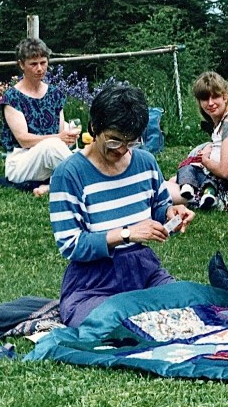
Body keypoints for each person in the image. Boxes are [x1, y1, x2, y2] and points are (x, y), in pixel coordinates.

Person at [49, 85, 194, 327]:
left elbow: (159, 208)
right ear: (94, 128)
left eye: (131, 141)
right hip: (93, 281)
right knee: (116, 324)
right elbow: (70, 245)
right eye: (115, 141)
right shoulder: (69, 173)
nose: (123, 150)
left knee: (189, 309)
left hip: (144, 272)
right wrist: (127, 233)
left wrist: (171, 214)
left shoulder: (145, 163)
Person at [170, 72, 228, 211]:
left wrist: (204, 159)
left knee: (163, 190)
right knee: (174, 180)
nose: (210, 103)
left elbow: (225, 171)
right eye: (205, 99)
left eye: (215, 96)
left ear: (225, 96)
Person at [0, 38, 79, 196]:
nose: (40, 69)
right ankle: (90, 179)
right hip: (21, 162)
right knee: (51, 145)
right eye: (33, 64)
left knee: (83, 151)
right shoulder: (12, 97)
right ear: (22, 65)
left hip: (50, 158)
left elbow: (61, 131)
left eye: (43, 63)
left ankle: (51, 186)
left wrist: (69, 136)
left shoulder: (55, 94)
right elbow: (23, 139)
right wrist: (59, 138)